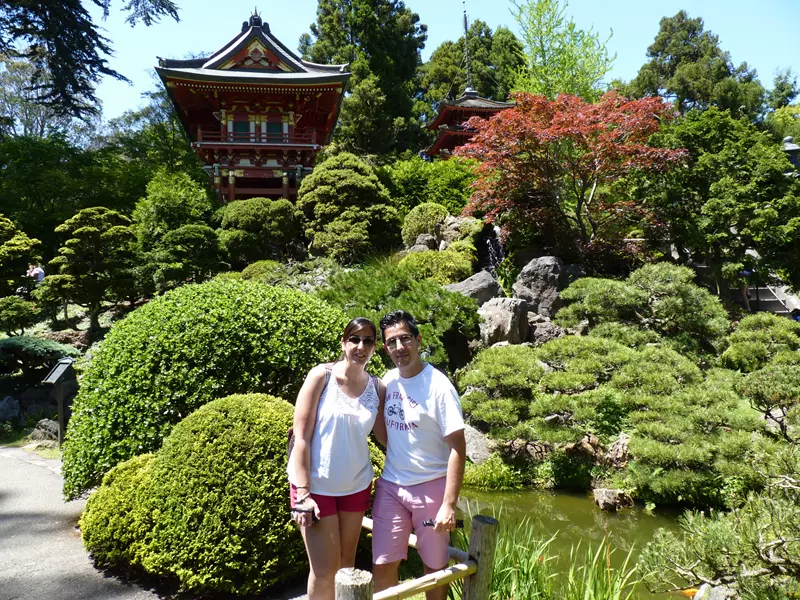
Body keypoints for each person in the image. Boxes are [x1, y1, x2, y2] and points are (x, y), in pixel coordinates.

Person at [288, 317, 385, 600]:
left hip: (356, 486)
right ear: (343, 343)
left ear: (375, 347)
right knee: (324, 570)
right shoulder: (322, 376)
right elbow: (301, 436)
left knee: (346, 568)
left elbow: (386, 439)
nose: (360, 346)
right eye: (354, 339)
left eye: (367, 340)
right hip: (315, 488)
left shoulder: (377, 388)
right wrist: (303, 494)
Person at [371, 310, 466, 600]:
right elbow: (384, 434)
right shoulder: (388, 382)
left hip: (431, 487)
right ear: (385, 348)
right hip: (391, 486)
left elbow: (458, 449)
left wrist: (449, 504)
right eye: (392, 342)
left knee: (434, 568)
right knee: (383, 562)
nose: (399, 348)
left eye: (405, 339)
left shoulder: (439, 386)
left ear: (418, 339)